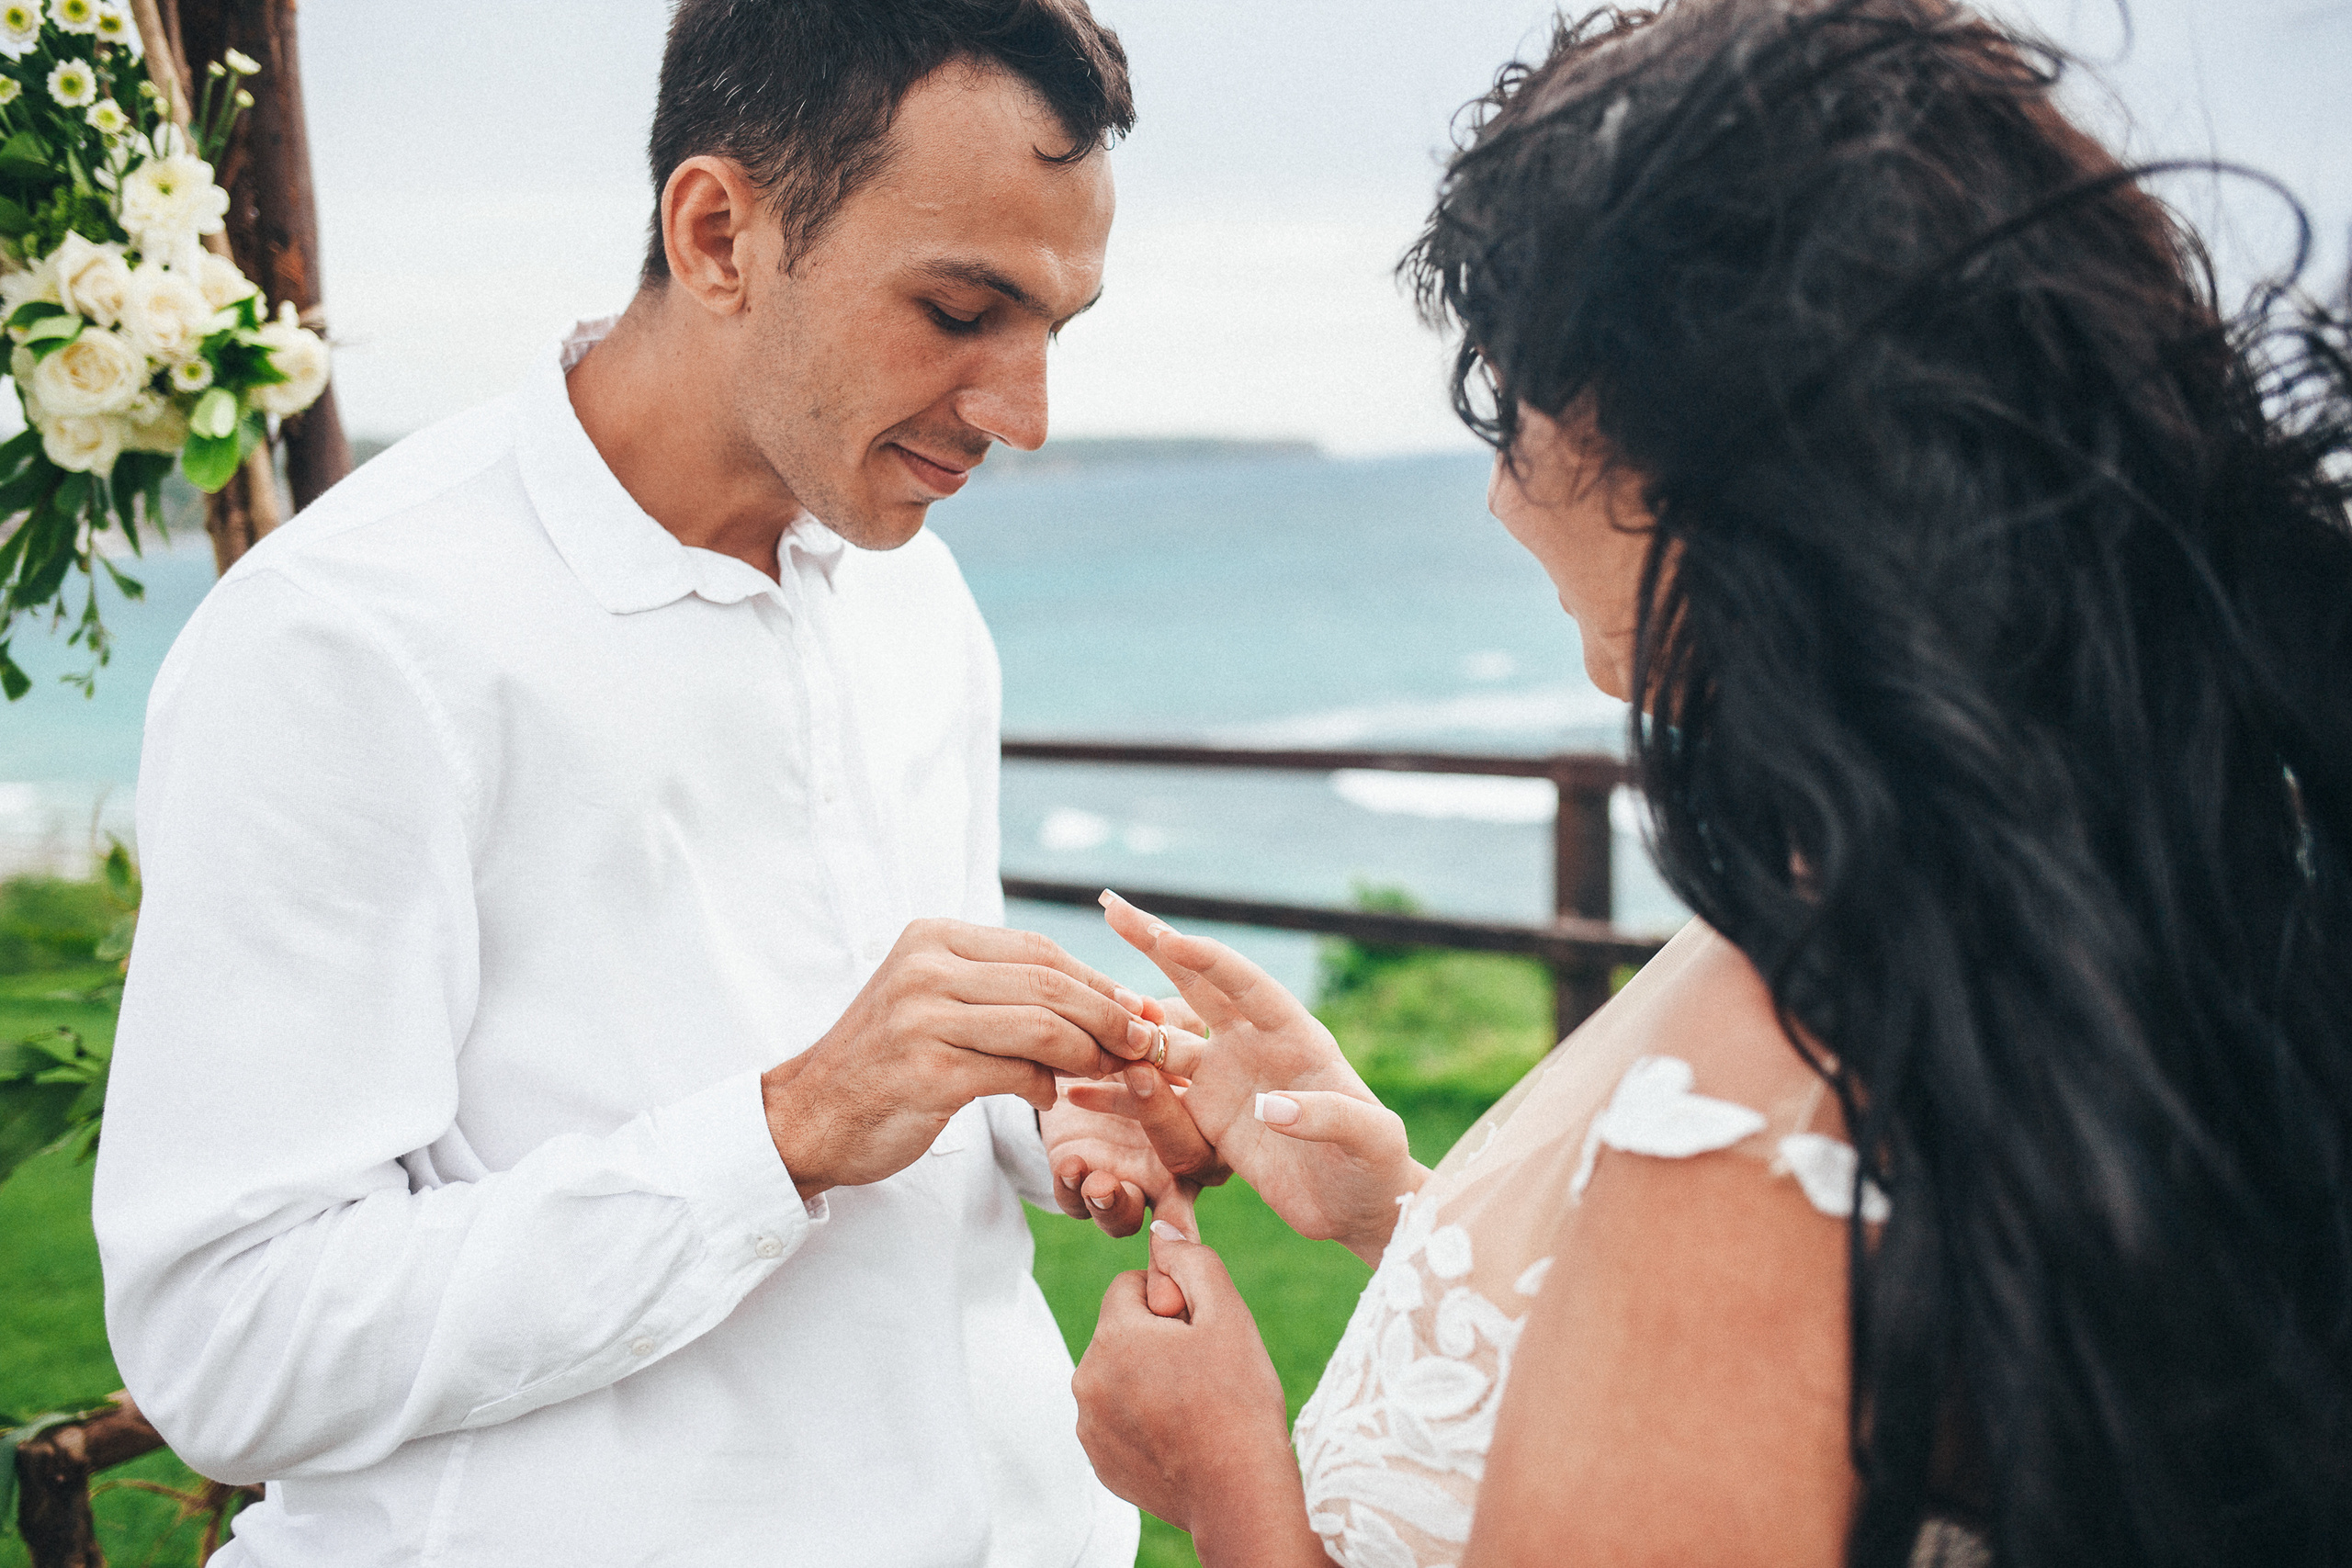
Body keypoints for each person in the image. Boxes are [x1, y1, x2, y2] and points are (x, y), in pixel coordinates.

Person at [1068, 2, 2352, 1565]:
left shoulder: (1793, 1017)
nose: (1494, 493)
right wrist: (1411, 1217)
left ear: (1683, 442)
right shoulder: (2069, 871)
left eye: (1512, 403)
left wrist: (1222, 1482)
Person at [91, 3, 1195, 1563]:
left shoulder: (913, 597)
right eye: (960, 310)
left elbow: (902, 1075)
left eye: (1055, 328)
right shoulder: (347, 642)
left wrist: (1060, 1110)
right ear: (720, 230)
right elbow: (227, 1341)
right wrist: (787, 1129)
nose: (1024, 413)